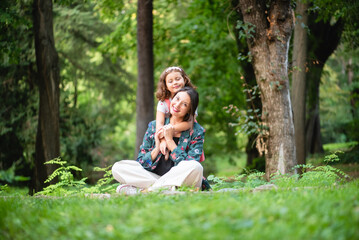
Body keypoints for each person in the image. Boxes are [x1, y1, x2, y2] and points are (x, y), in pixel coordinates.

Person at [112, 87, 209, 194]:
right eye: (177, 99)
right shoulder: (155, 126)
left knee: (196, 167)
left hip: (182, 179)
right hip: (153, 177)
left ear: (189, 110)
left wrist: (170, 141)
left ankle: (146, 190)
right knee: (118, 167)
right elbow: (141, 163)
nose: (177, 105)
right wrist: (157, 148)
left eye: (184, 104)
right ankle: (166, 189)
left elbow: (189, 162)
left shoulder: (196, 131)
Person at [155, 66, 197, 159]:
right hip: (165, 134)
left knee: (189, 158)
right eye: (170, 81)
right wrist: (163, 140)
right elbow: (159, 123)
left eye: (178, 79)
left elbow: (190, 123)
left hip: (184, 134)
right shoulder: (163, 102)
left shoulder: (191, 99)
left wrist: (170, 130)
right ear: (165, 85)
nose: (175, 82)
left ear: (184, 79)